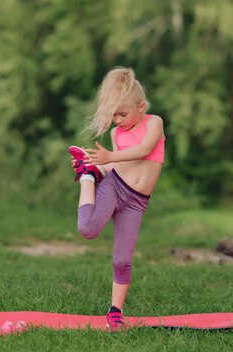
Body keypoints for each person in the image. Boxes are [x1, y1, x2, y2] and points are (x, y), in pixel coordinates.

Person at [68, 67, 165, 331]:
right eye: (114, 115)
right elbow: (122, 165)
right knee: (87, 229)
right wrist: (104, 165)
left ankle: (115, 311)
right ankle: (87, 176)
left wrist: (109, 158)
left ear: (141, 106)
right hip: (115, 186)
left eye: (123, 113)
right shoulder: (116, 134)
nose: (118, 120)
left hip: (136, 202)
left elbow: (143, 150)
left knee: (122, 259)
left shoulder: (154, 122)